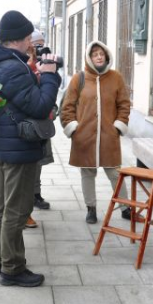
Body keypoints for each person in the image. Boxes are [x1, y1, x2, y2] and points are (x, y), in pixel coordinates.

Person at [0, 10, 61, 288]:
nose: (30, 45)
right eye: (28, 39)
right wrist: (49, 76)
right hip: (17, 148)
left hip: (1, 144)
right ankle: (12, 268)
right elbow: (38, 105)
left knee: (0, 205)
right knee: (17, 209)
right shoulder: (10, 67)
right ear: (19, 40)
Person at [61, 41, 131, 224]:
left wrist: (118, 125)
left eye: (102, 53)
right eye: (95, 54)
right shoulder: (79, 78)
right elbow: (67, 106)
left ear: (107, 56)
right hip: (85, 137)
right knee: (88, 173)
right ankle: (90, 209)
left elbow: (124, 104)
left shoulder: (116, 78)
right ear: (89, 58)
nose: (99, 56)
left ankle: (125, 207)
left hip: (109, 136)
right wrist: (74, 128)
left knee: (115, 173)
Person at [30, 28, 52, 211]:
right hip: (30, 123)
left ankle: (36, 194)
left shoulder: (44, 62)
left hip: (43, 121)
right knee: (31, 163)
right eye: (37, 45)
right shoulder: (24, 65)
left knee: (39, 162)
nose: (40, 49)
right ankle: (31, 196)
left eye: (42, 45)